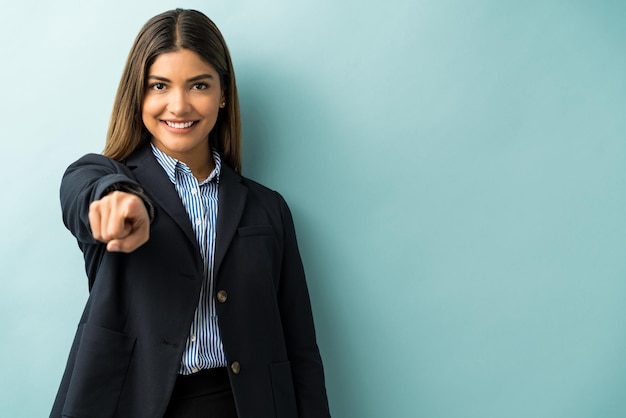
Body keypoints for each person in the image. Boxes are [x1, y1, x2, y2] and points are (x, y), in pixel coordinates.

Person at [50, 8, 331, 418]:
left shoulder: (269, 208)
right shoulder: (108, 179)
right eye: (159, 86)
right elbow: (83, 187)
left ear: (222, 93)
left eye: (198, 84)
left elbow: (301, 348)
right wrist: (117, 197)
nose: (178, 106)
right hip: (134, 403)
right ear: (139, 96)